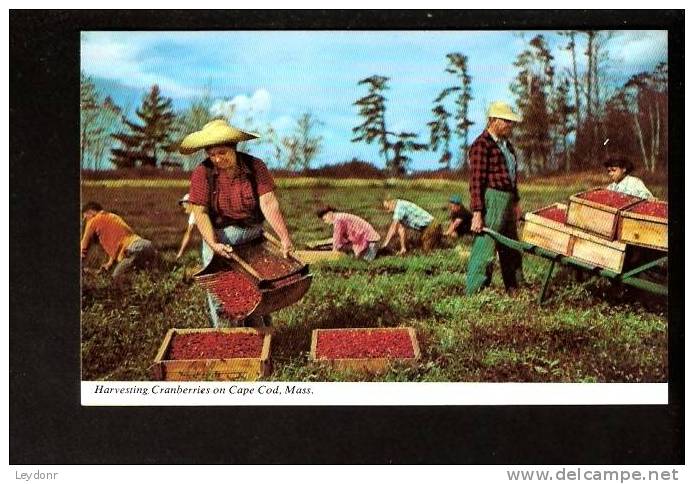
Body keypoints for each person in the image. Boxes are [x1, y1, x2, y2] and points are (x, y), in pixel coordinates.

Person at [179, 119, 294, 328]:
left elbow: (268, 202)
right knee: (224, 296)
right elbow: (201, 212)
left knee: (258, 289)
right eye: (212, 154)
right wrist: (213, 244)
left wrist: (284, 237)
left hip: (252, 237)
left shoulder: (255, 166)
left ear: (234, 147)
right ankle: (229, 342)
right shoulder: (202, 173)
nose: (217, 159)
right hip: (220, 240)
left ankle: (261, 338)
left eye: (222, 152)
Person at [466, 101, 524, 296]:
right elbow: (476, 182)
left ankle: (515, 289)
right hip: (492, 199)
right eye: (506, 121)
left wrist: (515, 202)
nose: (510, 125)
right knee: (485, 246)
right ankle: (476, 291)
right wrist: (477, 213)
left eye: (511, 121)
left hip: (507, 200)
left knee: (511, 246)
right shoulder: (481, 145)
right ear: (492, 120)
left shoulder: (507, 146)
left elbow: (511, 177)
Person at [81, 201, 158, 279]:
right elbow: (119, 242)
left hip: (133, 249)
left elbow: (83, 248)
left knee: (116, 279)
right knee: (143, 278)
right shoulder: (113, 216)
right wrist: (109, 264)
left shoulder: (93, 220)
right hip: (147, 247)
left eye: (85, 217)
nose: (85, 221)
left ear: (91, 212)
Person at [316, 206, 381, 261]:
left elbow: (337, 236)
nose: (325, 222)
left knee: (364, 262)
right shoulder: (340, 216)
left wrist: (334, 251)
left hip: (370, 242)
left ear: (330, 213)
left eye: (325, 219)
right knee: (357, 259)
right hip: (367, 240)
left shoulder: (338, 219)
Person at [175, 193, 196, 260]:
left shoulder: (195, 212)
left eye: (185, 204)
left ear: (190, 203)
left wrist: (180, 252)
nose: (184, 206)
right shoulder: (195, 212)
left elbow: (188, 233)